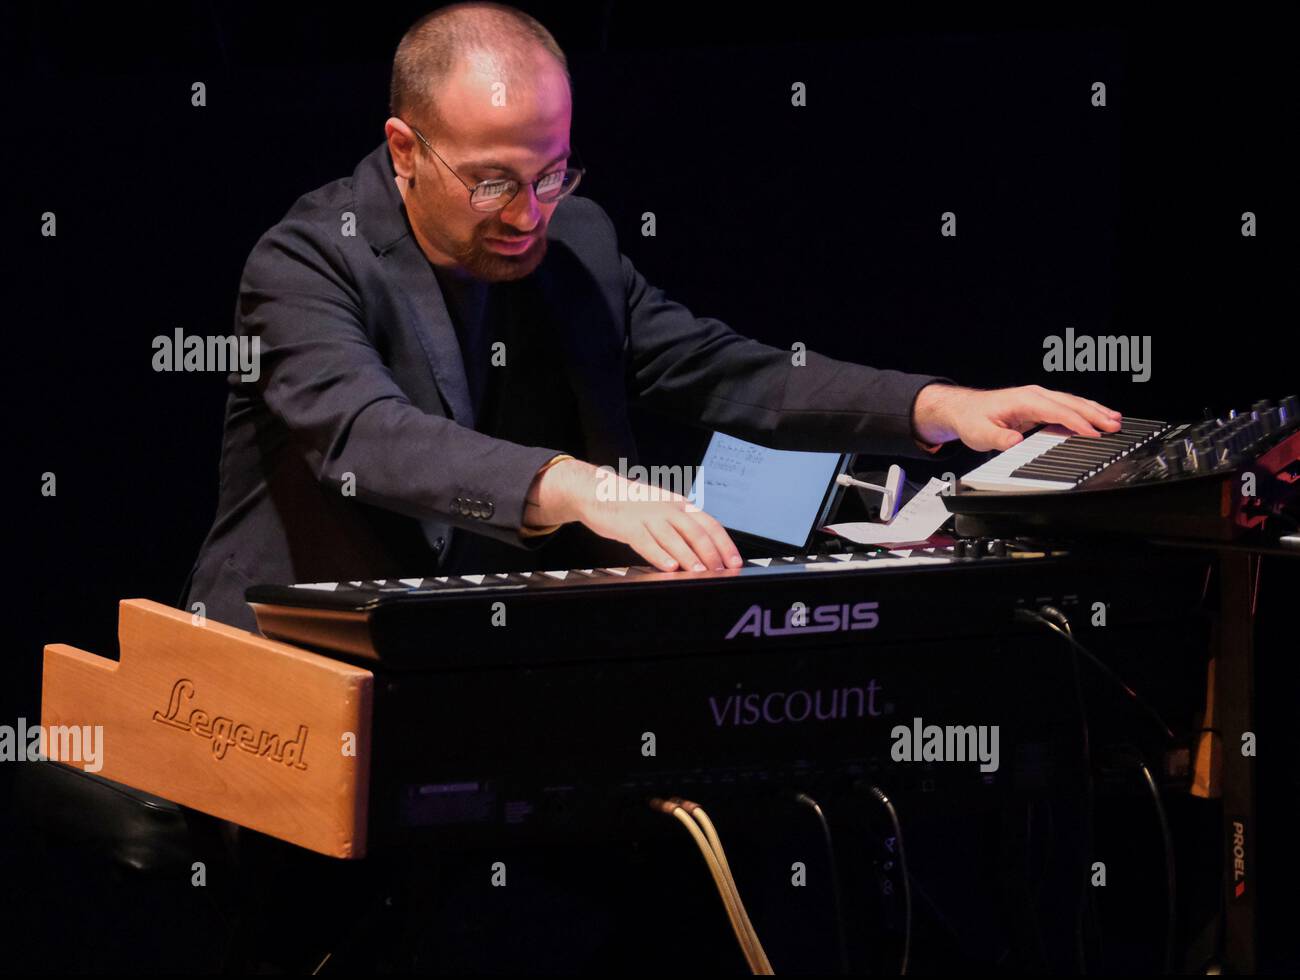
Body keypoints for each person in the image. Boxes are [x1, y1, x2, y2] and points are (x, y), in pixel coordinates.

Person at [180, 1, 1121, 633]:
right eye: (495, 180)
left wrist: (937, 404)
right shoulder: (306, 259)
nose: (528, 212)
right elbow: (367, 438)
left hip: (484, 651)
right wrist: (584, 487)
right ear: (404, 149)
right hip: (286, 655)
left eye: (553, 173)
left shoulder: (576, 243)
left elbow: (725, 371)